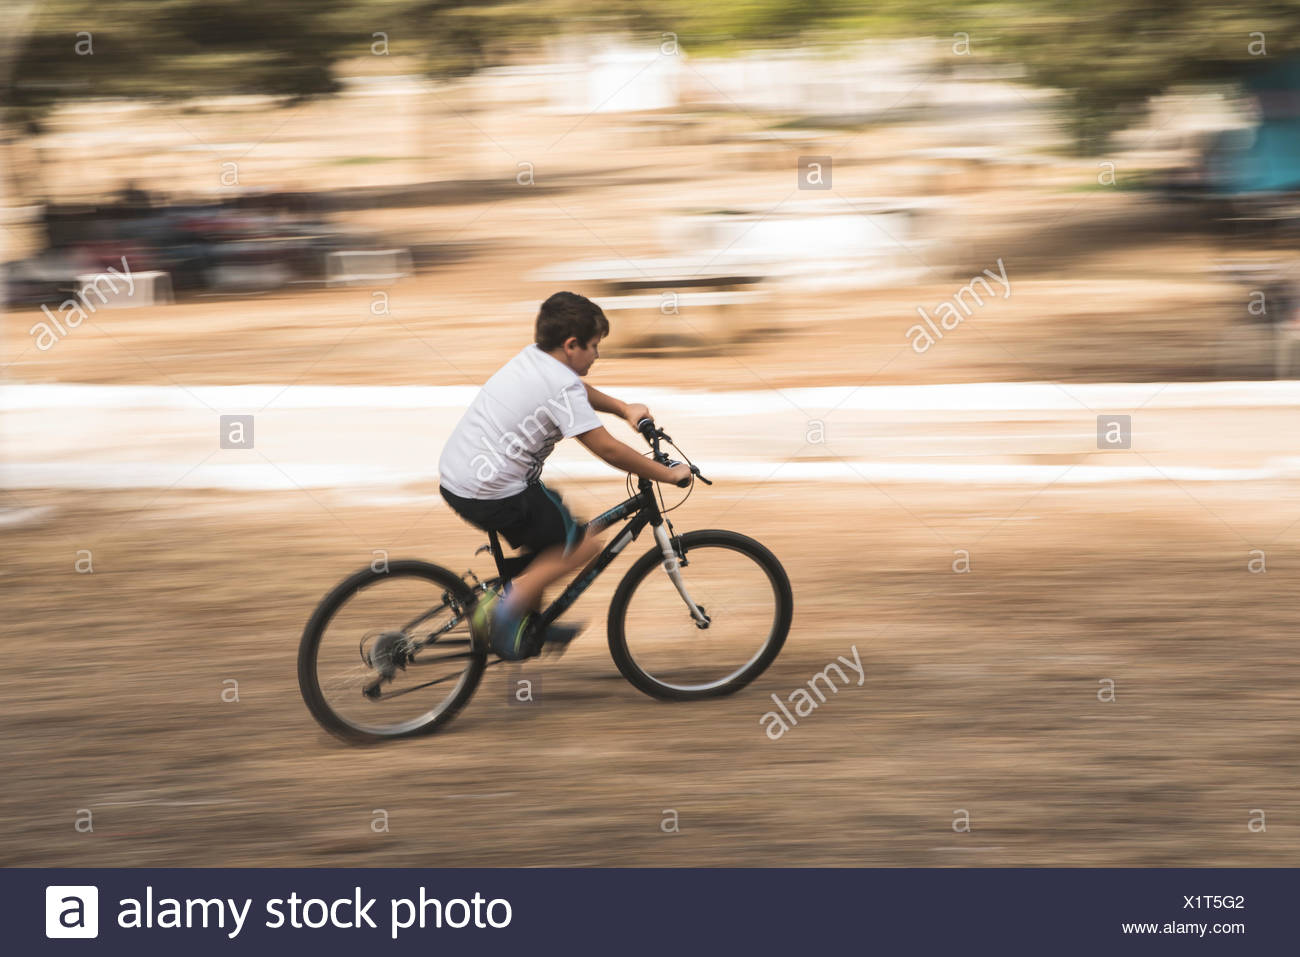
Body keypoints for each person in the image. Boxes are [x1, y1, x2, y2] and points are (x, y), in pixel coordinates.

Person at [437, 291, 690, 660]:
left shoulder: (535, 357)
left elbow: (576, 391)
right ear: (571, 345)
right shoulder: (562, 384)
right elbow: (607, 449)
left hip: (461, 477)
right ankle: (504, 617)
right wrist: (667, 474)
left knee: (552, 526)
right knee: (581, 545)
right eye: (594, 346)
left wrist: (623, 408)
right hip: (493, 490)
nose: (597, 354)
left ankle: (527, 620)